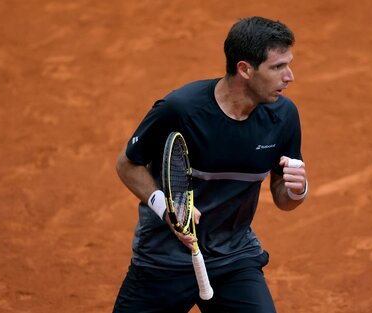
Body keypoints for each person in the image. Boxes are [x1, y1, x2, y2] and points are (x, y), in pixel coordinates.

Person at [112, 16, 308, 313]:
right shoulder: (181, 109)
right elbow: (128, 164)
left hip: (233, 257)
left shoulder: (283, 117)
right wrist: (169, 210)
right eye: (278, 67)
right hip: (164, 259)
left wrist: (297, 191)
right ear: (245, 69)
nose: (290, 76)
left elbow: (284, 199)